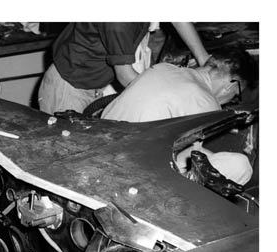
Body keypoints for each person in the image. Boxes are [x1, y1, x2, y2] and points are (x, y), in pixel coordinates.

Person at [102, 49, 257, 185]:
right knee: (240, 165)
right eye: (235, 96)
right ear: (230, 86)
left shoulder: (162, 68)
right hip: (126, 173)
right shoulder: (206, 103)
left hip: (100, 144)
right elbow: (189, 157)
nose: (230, 101)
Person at [38, 22, 210, 115]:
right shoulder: (119, 22)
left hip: (93, 83)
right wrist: (174, 95)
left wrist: (204, 59)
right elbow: (125, 75)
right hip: (69, 88)